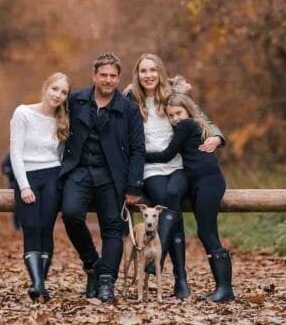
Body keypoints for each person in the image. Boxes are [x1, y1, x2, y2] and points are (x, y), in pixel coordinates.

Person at [124, 53, 225, 299]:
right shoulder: (130, 99)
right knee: (170, 206)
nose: (148, 75)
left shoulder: (171, 97)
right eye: (143, 71)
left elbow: (202, 118)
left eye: (152, 70)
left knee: (172, 201)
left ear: (160, 72)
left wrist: (217, 137)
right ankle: (180, 278)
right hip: (151, 169)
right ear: (137, 75)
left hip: (178, 166)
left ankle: (178, 278)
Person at [60, 52, 145, 302]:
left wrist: (133, 185)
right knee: (71, 214)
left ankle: (106, 280)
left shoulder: (129, 109)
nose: (108, 80)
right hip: (79, 171)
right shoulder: (75, 101)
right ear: (94, 75)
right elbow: (51, 113)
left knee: (112, 228)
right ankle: (93, 265)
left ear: (119, 78)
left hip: (112, 176)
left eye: (112, 76)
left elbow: (138, 149)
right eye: (103, 75)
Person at [144, 92, 234, 303]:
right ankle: (164, 252)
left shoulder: (187, 126)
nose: (175, 119)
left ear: (188, 110)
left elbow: (167, 155)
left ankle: (225, 288)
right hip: (196, 182)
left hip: (209, 183)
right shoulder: (195, 125)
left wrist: (140, 156)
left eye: (178, 113)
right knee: (173, 198)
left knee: (206, 231)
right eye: (171, 116)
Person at [9, 72, 70, 301]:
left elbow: (62, 155)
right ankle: (36, 283)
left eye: (63, 92)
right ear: (46, 87)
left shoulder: (62, 120)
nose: (58, 95)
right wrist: (24, 186)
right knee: (31, 228)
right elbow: (15, 152)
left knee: (46, 228)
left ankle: (41, 284)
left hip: (53, 176)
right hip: (28, 176)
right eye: (55, 89)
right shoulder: (23, 113)